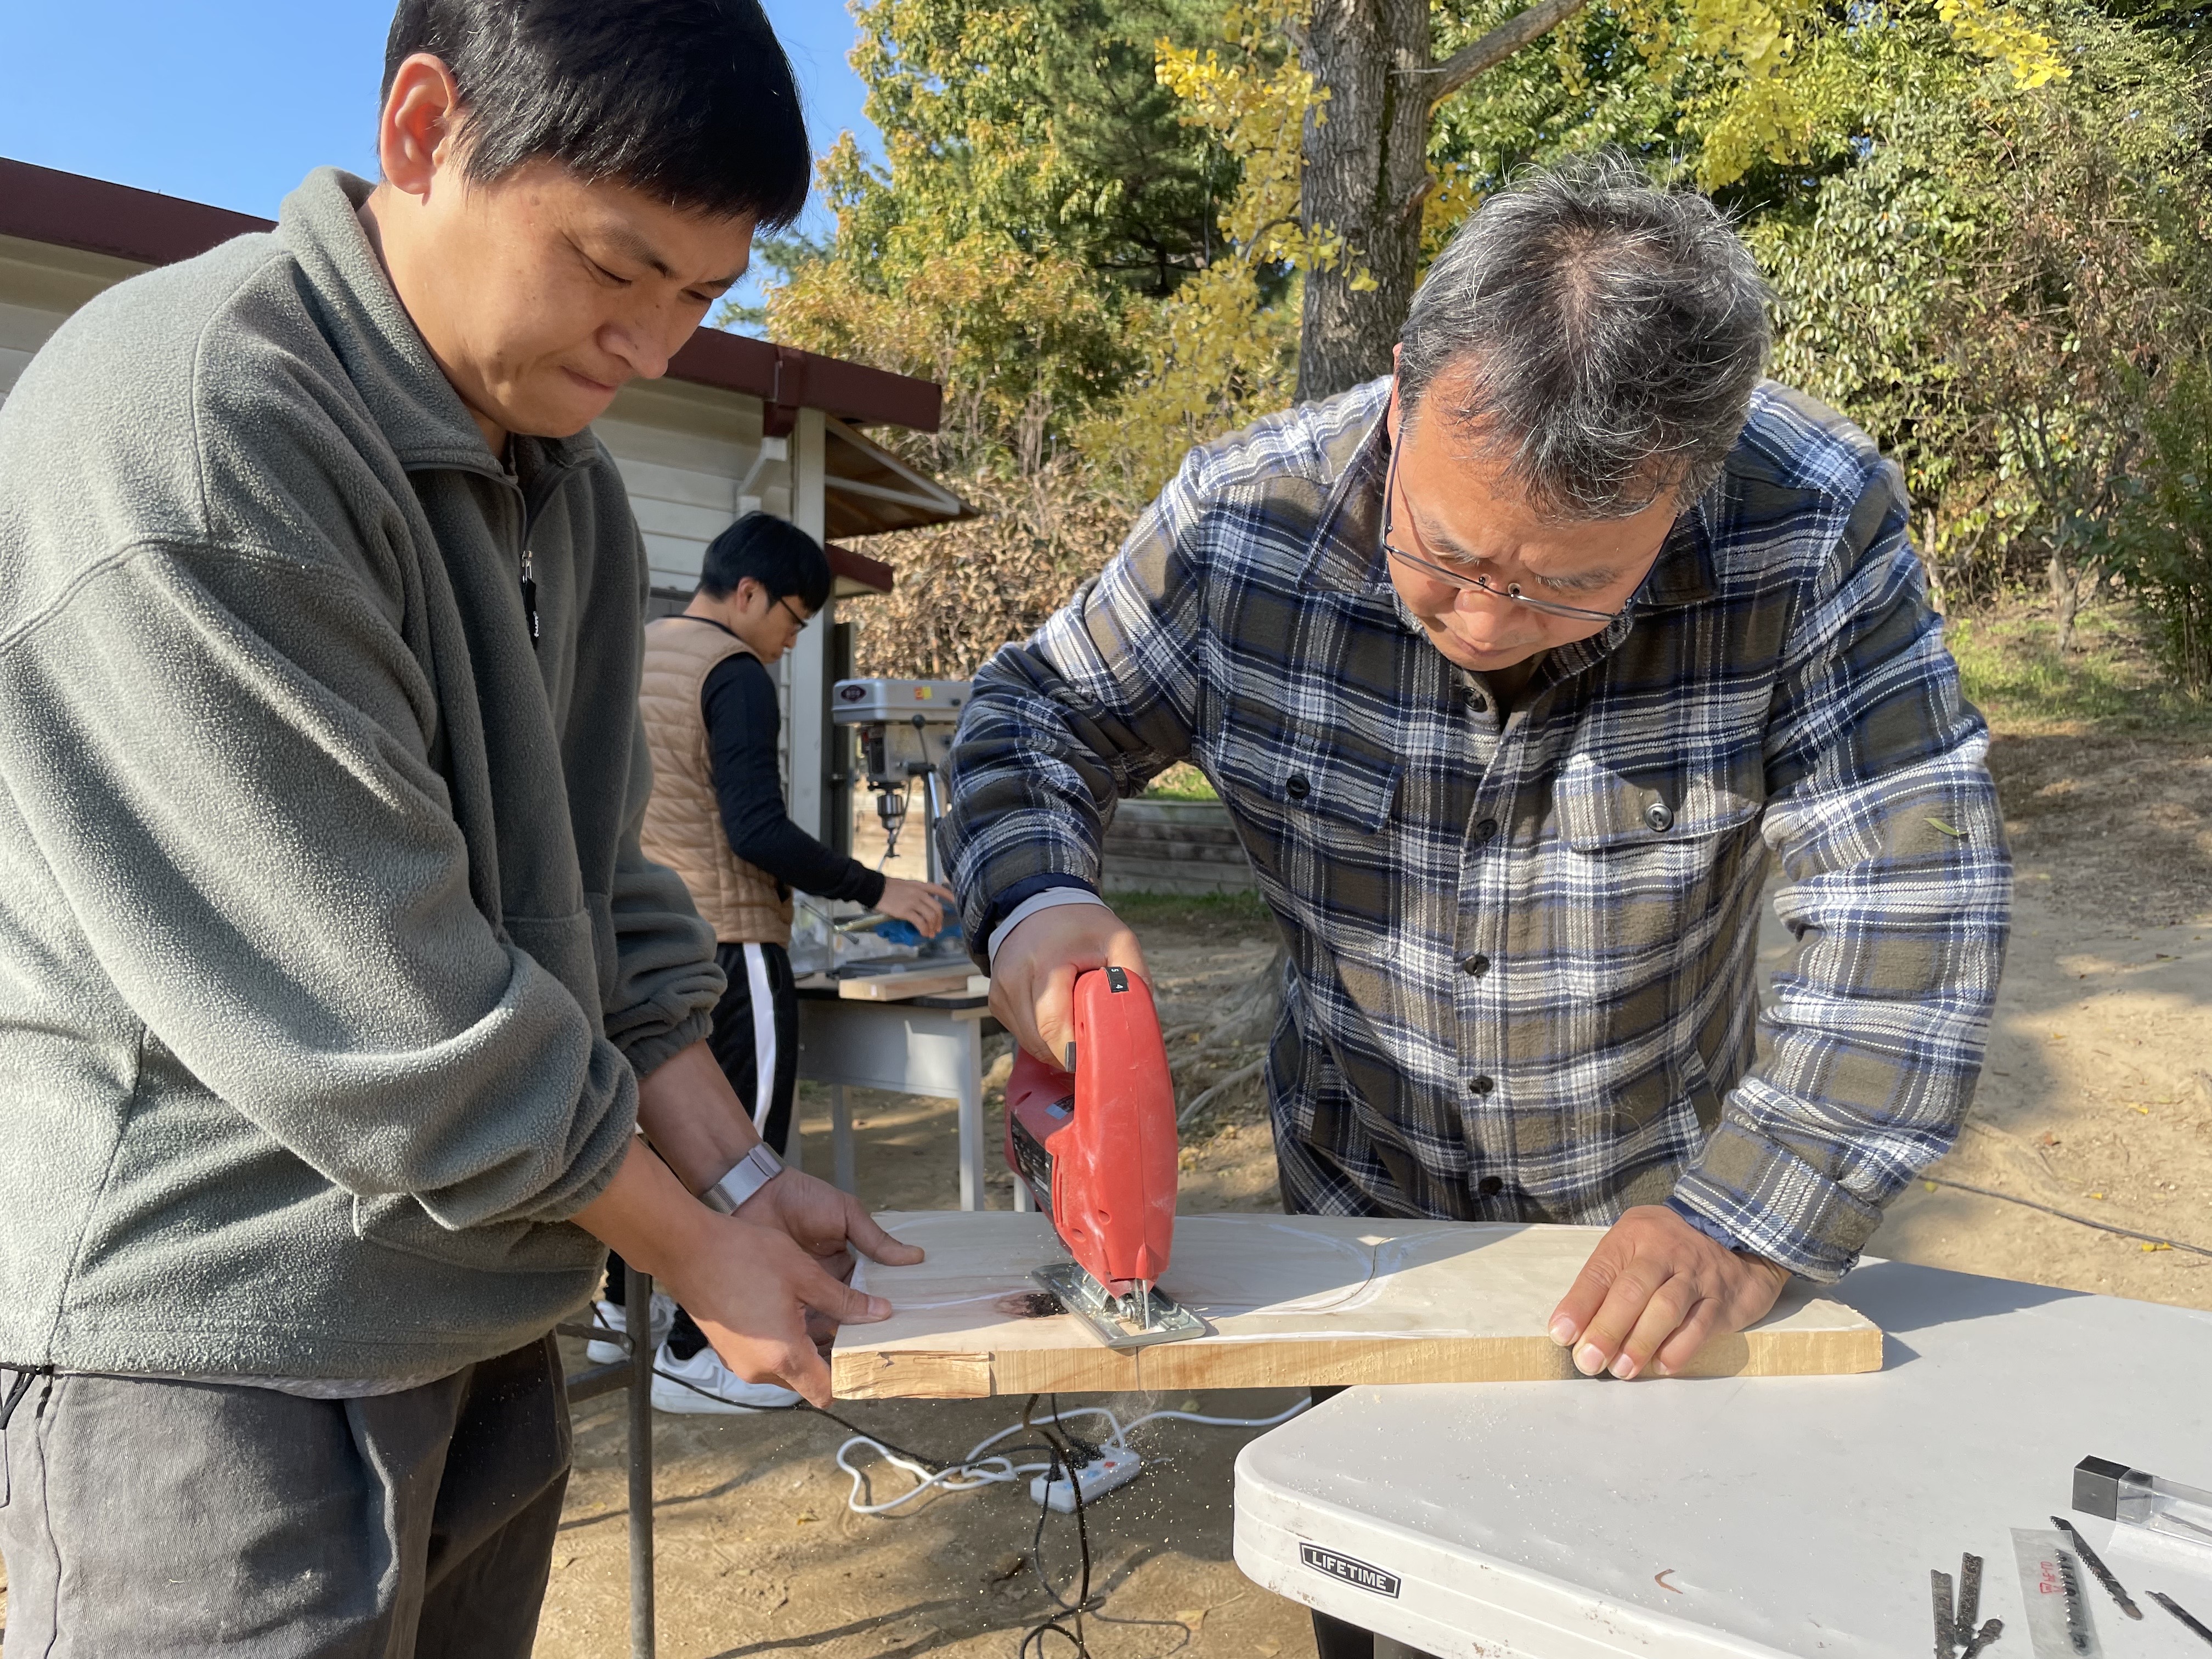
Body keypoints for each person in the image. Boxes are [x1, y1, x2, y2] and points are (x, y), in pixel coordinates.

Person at [940, 156, 2011, 1659]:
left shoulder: (1811, 523)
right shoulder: (1243, 522)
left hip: (1648, 1246)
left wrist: (1751, 1215)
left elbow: (1915, 884)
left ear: (1688, 487)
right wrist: (1036, 897)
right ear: (1402, 395)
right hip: (1357, 1236)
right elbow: (1034, 715)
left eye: (1570, 585)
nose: (1490, 620)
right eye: (1445, 557)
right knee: (1375, 1600)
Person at [0, 2, 922, 1652]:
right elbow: (383, 993)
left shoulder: (566, 479)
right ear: (424, 130)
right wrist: (694, 1251)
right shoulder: (204, 429)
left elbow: (606, 889)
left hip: (494, 1295)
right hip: (217, 1337)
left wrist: (741, 1177)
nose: (654, 346)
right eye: (616, 267)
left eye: (702, 298)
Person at [597, 511, 955, 1413]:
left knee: (649, 1143)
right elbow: (756, 829)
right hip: (726, 941)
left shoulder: (638, 653)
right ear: (749, 593)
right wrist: (880, 888)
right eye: (793, 620)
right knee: (740, 1155)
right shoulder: (734, 672)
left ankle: (620, 1320)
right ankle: (699, 1354)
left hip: (637, 944)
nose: (791, 643)